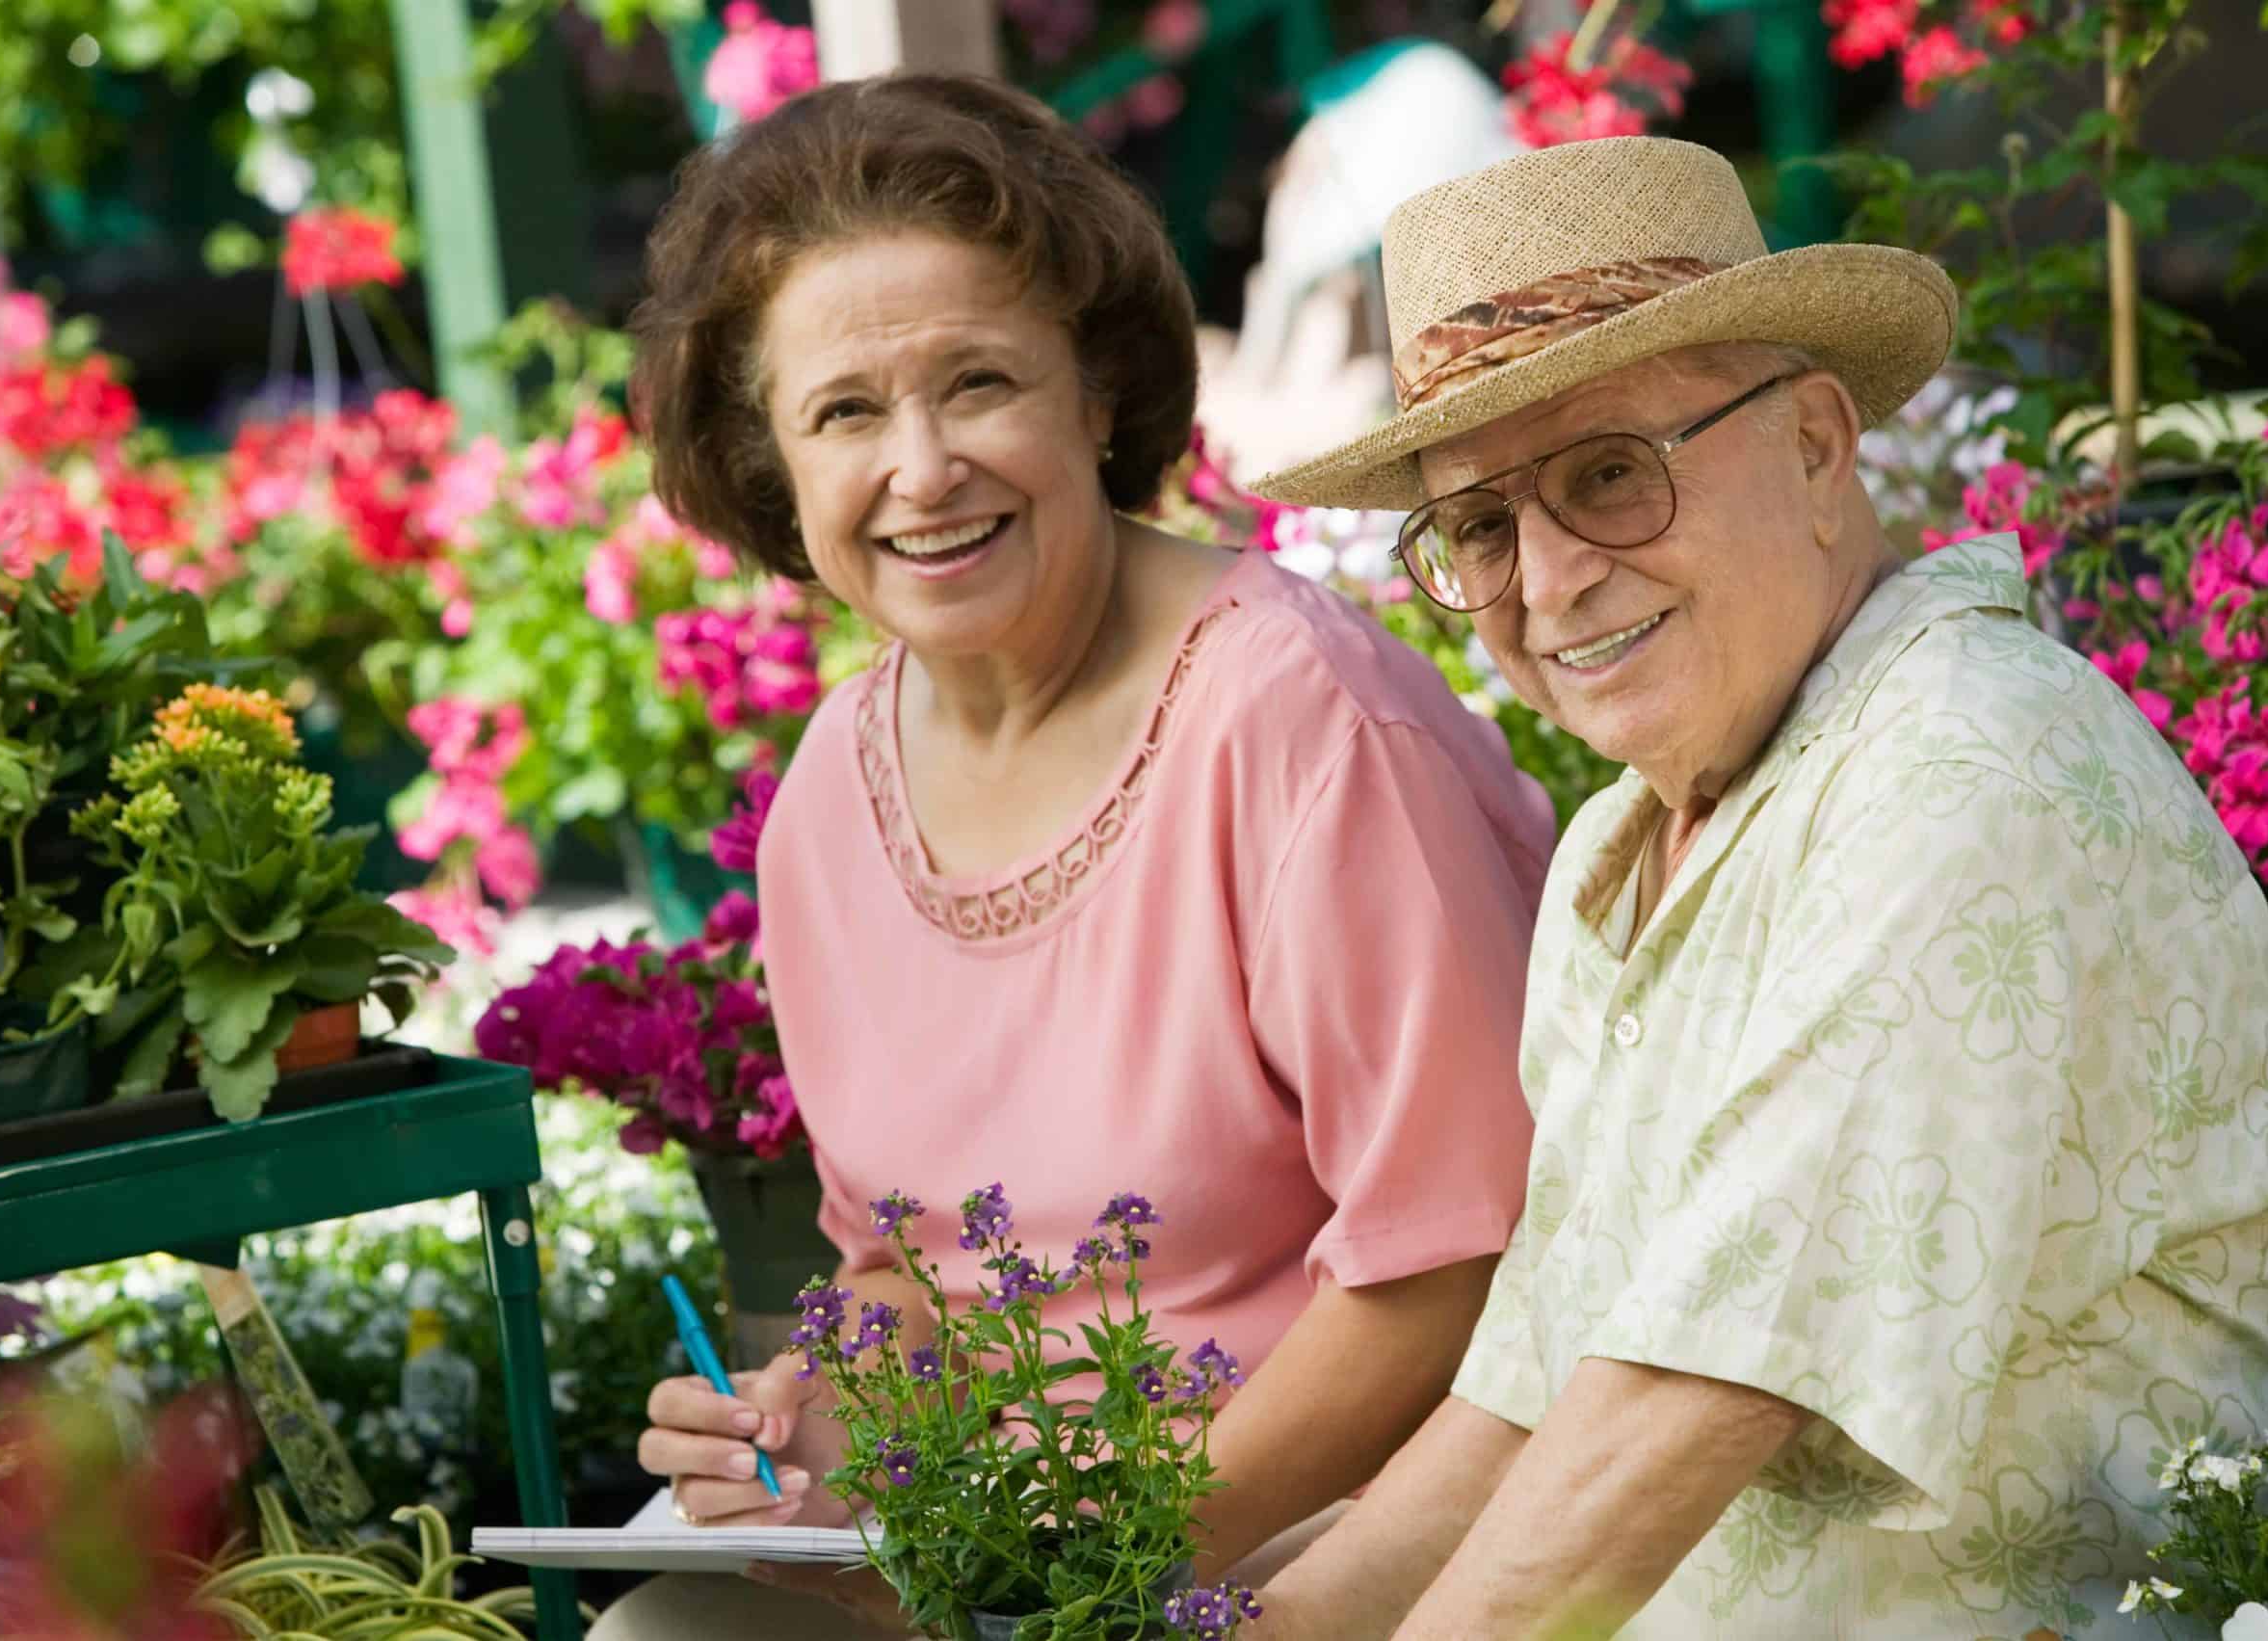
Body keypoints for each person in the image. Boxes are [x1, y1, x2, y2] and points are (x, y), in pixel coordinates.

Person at [1239, 136, 2268, 1639]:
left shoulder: (1964, 765)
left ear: (1819, 446)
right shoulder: (1623, 849)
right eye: (1481, 524)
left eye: (1609, 475)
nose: (1552, 574)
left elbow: (1694, 1399)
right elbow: (1535, 1399)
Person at [588, 74, 1555, 1638]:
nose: (922, 468)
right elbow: (900, 1271)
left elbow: (1454, 1274)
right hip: (1008, 1571)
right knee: (652, 1634)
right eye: (844, 412)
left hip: (1336, 1545)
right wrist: (811, 1422)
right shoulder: (832, 787)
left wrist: (1100, 1566)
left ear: (1095, 394)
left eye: (978, 383)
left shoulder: (1297, 716)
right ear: (772, 467)